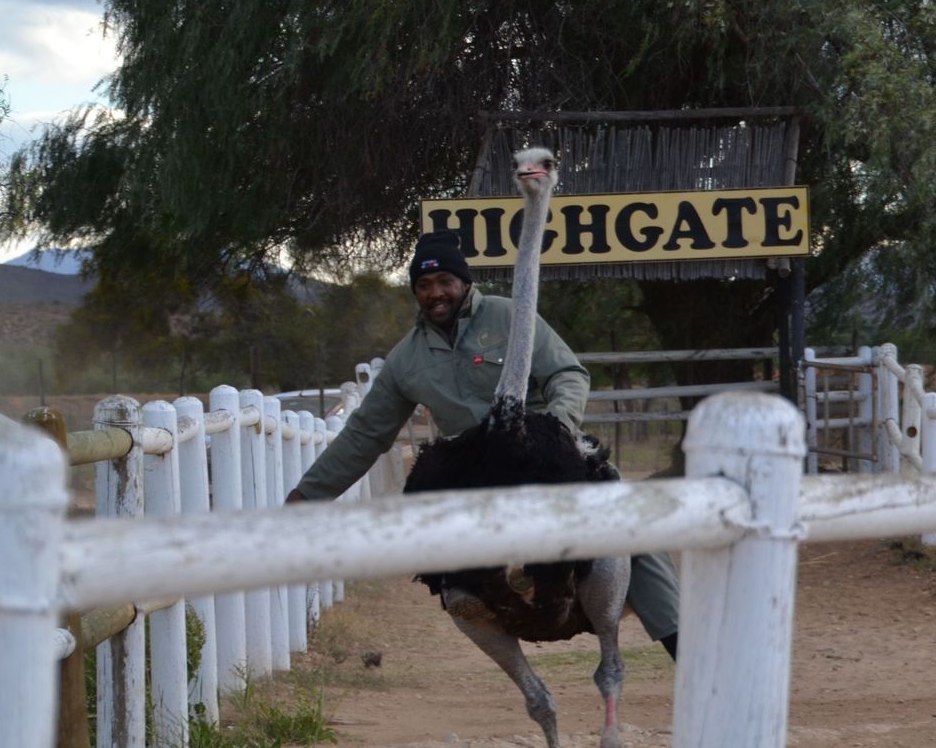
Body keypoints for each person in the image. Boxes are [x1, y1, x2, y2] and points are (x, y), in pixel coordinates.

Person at [288, 230, 681, 659]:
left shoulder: (509, 316)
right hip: (471, 467)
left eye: (444, 283)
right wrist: (309, 495)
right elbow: (365, 433)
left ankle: (680, 639)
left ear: (464, 282)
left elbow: (568, 374)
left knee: (628, 514)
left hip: (541, 449)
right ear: (415, 291)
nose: (435, 293)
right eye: (424, 286)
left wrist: (558, 430)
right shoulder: (407, 358)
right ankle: (475, 607)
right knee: (441, 553)